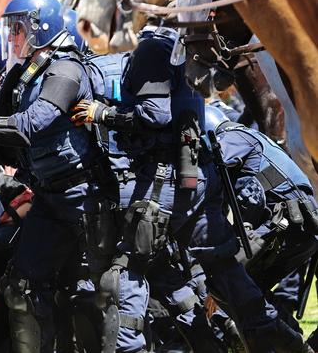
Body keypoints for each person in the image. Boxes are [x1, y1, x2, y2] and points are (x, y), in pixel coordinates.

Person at [69, 21, 313, 351]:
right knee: (226, 277)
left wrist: (104, 114)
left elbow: (156, 117)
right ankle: (279, 342)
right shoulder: (185, 80)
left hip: (284, 222)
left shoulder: (229, 140)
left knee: (132, 274)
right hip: (281, 218)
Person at [0, 0, 123, 352]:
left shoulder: (66, 69)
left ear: (42, 28)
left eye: (18, 28)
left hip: (84, 197)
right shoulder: (27, 72)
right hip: (50, 197)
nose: (11, 37)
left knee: (100, 294)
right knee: (20, 288)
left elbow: (29, 125)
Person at [204, 104, 318, 330]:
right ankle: (292, 341)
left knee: (230, 285)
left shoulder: (232, 139)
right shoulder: (251, 136)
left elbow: (205, 176)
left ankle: (288, 343)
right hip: (298, 228)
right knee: (252, 291)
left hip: (286, 225)